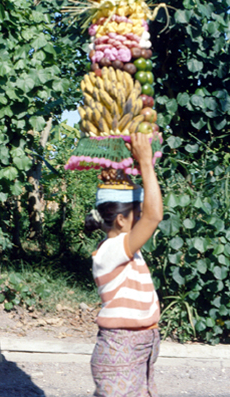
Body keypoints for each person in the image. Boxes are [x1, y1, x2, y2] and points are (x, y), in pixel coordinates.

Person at [85, 132, 163, 397]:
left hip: (140, 348)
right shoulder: (111, 251)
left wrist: (142, 155)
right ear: (120, 220)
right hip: (121, 352)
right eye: (136, 215)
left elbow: (150, 210)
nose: (141, 218)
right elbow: (154, 216)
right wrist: (145, 163)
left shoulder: (126, 250)